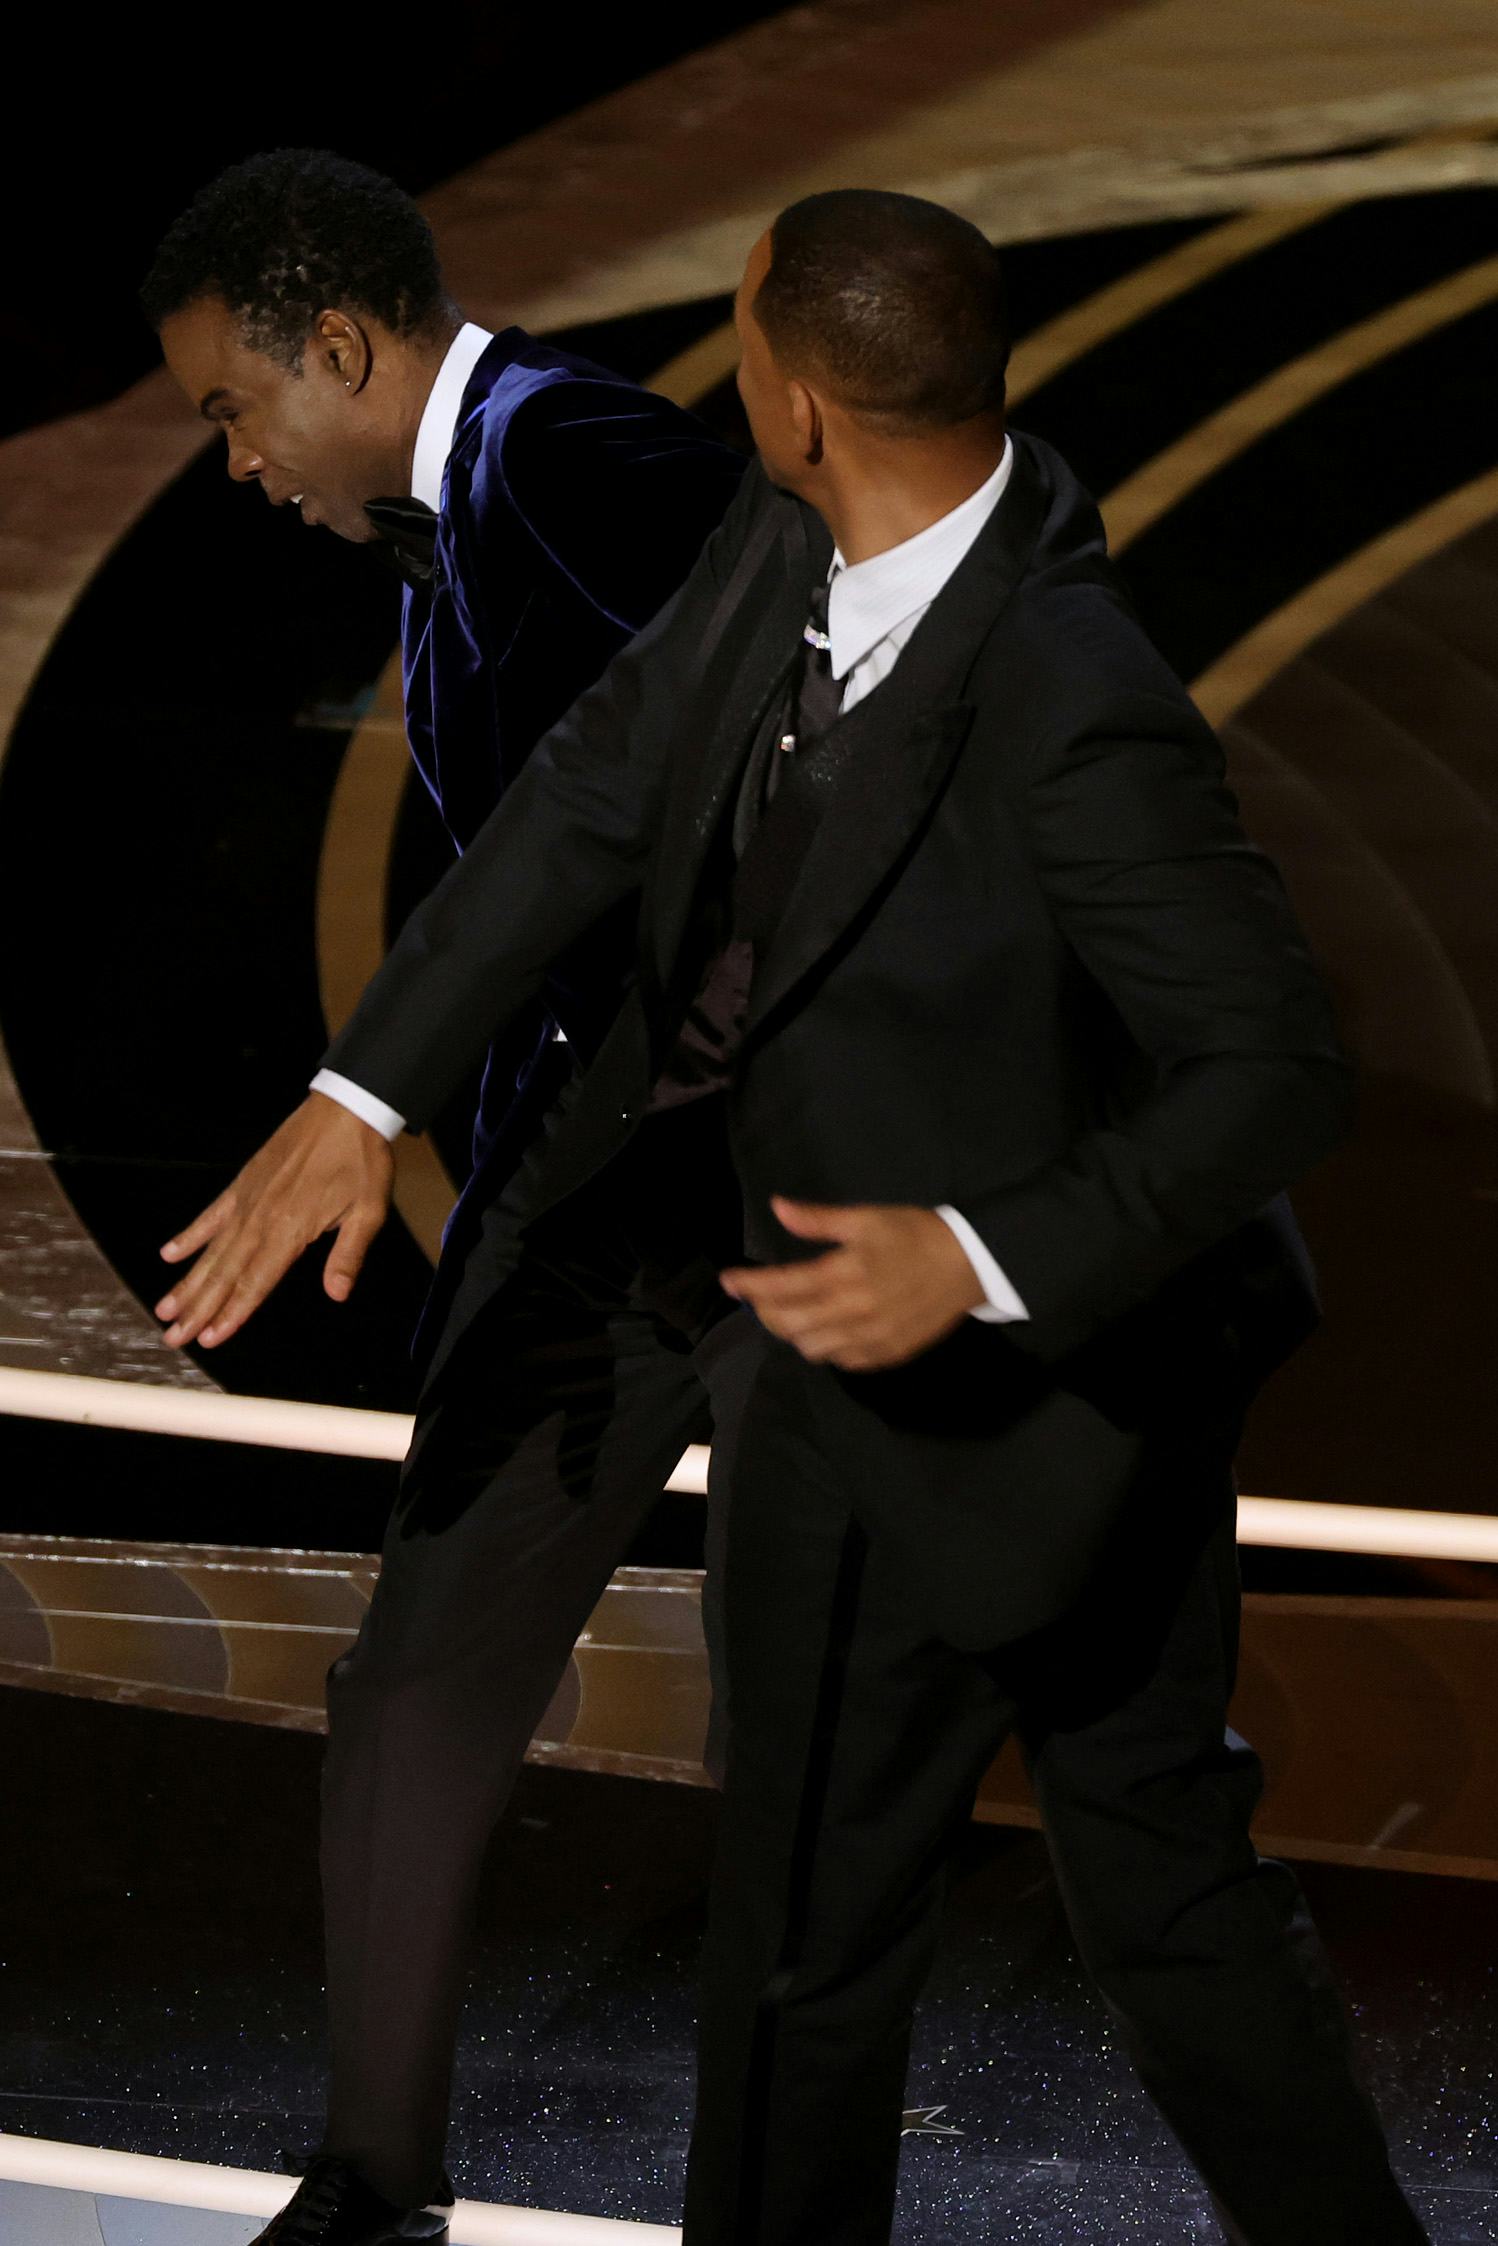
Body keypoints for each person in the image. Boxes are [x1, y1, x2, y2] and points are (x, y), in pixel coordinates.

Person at [155, 190, 1425, 2244]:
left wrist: (980, 1253)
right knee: (799, 1942)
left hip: (1066, 1401)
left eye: (737, 337)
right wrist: (356, 1086)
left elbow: (1269, 1065)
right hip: (831, 1387)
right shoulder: (781, 542)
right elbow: (591, 787)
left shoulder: (1070, 696)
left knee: (1166, 1906)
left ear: (799, 400)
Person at [143, 148, 753, 2246]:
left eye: (232, 407)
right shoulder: (451, 520)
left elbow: (745, 760)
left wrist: (364, 1087)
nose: (231, 460)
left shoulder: (584, 454)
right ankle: (374, 2175)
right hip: (572, 1200)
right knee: (413, 1681)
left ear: (339, 345)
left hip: (771, 1197)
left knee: (811, 1714)